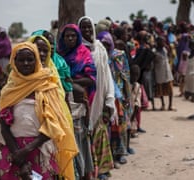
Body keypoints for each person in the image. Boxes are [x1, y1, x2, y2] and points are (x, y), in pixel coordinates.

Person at [0, 42, 78, 180]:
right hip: (14, 149)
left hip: (39, 149)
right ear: (14, 62)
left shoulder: (47, 86)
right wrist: (18, 156)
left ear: (37, 61)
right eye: (21, 60)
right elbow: (4, 126)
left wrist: (26, 150)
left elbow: (53, 125)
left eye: (30, 59)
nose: (26, 63)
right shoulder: (9, 90)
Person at [78, 16, 116, 180]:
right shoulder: (77, 50)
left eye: (88, 27)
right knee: (85, 136)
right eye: (83, 28)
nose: (86, 31)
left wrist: (109, 99)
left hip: (99, 98)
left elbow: (107, 75)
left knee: (99, 134)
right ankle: (89, 171)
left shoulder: (99, 48)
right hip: (84, 100)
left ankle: (100, 170)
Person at [58, 24, 97, 179]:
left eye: (73, 36)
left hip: (80, 101)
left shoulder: (84, 53)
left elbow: (92, 79)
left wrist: (71, 82)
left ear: (78, 37)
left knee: (81, 141)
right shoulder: (59, 55)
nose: (70, 38)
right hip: (63, 102)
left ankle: (84, 174)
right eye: (67, 36)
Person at [97, 31, 132, 167]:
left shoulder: (118, 55)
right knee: (108, 127)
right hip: (104, 96)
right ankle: (110, 157)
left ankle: (121, 152)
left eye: (107, 44)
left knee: (121, 125)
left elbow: (126, 75)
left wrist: (127, 95)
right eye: (102, 44)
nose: (105, 47)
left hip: (119, 95)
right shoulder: (98, 56)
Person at [153, 36, 175, 111]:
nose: (164, 43)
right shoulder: (154, 51)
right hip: (159, 72)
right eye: (162, 41)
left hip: (167, 71)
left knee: (170, 89)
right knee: (160, 90)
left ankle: (170, 105)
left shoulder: (165, 50)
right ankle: (163, 105)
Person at [129, 64, 146, 137]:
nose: (135, 77)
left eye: (137, 75)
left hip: (133, 109)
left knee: (131, 126)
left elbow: (137, 102)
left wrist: (133, 115)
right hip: (126, 109)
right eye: (133, 75)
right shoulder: (127, 84)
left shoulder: (138, 86)